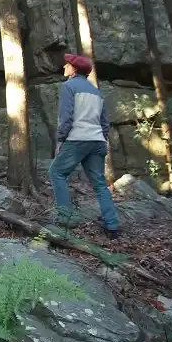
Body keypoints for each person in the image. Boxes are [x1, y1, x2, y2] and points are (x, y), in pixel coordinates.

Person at [49, 53, 121, 239]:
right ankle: (112, 226)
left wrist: (60, 140)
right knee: (100, 184)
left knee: (56, 173)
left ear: (74, 69)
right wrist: (101, 139)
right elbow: (105, 123)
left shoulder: (68, 86)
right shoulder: (97, 92)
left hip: (77, 139)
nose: (64, 67)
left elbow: (66, 117)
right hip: (97, 141)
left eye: (67, 64)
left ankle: (65, 219)